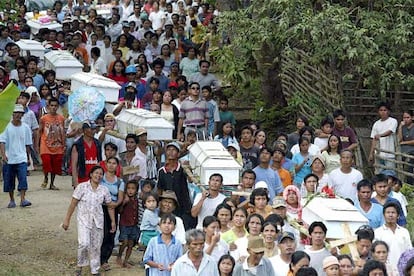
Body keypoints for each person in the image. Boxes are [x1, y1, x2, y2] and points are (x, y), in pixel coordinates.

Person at [62, 166, 116, 276]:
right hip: (84, 220)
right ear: (91, 174)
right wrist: (66, 220)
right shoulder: (82, 187)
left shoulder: (104, 190)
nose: (98, 175)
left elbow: (110, 206)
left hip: (98, 221)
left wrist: (113, 221)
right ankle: (80, 265)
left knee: (96, 246)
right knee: (84, 243)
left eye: (101, 174)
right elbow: (73, 204)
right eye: (96, 173)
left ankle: (94, 270)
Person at [0, 104, 32, 208]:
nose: (18, 115)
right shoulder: (6, 127)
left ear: (22, 115)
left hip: (21, 157)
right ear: (12, 114)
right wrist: (3, 155)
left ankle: (23, 199)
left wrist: (28, 157)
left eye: (20, 113)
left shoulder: (26, 127)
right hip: (9, 158)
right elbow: (2, 142)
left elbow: (27, 144)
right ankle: (12, 199)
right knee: (9, 180)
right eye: (16, 113)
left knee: (23, 179)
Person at [157, 141, 193, 229]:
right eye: (169, 150)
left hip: (183, 206)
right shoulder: (162, 171)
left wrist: (188, 169)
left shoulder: (182, 168)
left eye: (174, 150)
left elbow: (191, 180)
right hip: (168, 206)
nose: (171, 152)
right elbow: (160, 189)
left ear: (178, 153)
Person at [100, 157, 125, 271]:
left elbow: (120, 198)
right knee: (100, 234)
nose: (111, 165)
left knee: (110, 235)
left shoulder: (120, 181)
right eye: (109, 163)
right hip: (100, 208)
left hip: (112, 209)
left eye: (114, 163)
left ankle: (105, 259)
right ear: (105, 164)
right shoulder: (100, 178)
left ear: (117, 166)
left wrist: (114, 205)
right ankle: (97, 258)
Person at [39, 97, 65, 190]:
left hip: (57, 145)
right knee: (46, 163)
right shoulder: (43, 118)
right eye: (52, 105)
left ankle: (52, 183)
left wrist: (64, 144)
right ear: (48, 106)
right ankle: (45, 177)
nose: (53, 107)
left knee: (55, 166)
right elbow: (40, 131)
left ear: (58, 107)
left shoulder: (61, 118)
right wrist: (38, 144)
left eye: (55, 106)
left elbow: (63, 132)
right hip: (45, 144)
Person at [374, 202, 412, 267]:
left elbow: (409, 251)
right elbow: (375, 253)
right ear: (384, 215)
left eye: (393, 212)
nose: (390, 215)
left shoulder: (404, 232)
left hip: (402, 269)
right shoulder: (377, 232)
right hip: (385, 268)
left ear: (398, 216)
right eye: (388, 212)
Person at [369, 102, 398, 173]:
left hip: (389, 153)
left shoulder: (393, 121)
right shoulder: (376, 124)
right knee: (379, 175)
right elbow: (374, 139)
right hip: (378, 154)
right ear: (378, 112)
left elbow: (390, 131)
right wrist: (371, 153)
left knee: (390, 174)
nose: (383, 112)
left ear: (388, 111)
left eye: (385, 110)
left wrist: (380, 135)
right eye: (381, 110)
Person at [71, 121, 102, 187]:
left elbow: (99, 161)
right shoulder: (77, 145)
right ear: (84, 130)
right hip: (82, 178)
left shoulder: (97, 144)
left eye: (94, 129)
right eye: (91, 129)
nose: (94, 131)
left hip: (95, 179)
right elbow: (74, 166)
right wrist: (75, 182)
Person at [117, 180, 139, 268]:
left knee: (130, 244)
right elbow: (119, 211)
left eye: (133, 189)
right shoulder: (124, 199)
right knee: (124, 242)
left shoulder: (137, 201)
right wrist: (124, 203)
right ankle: (119, 256)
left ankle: (125, 261)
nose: (130, 190)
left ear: (136, 190)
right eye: (128, 188)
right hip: (124, 224)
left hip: (133, 225)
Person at [397, 110, 414, 184]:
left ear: (412, 118)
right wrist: (400, 127)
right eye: (404, 118)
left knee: (409, 170)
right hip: (403, 152)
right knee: (401, 171)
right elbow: (399, 139)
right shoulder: (403, 128)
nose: (405, 119)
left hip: (412, 152)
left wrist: (404, 142)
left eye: (408, 117)